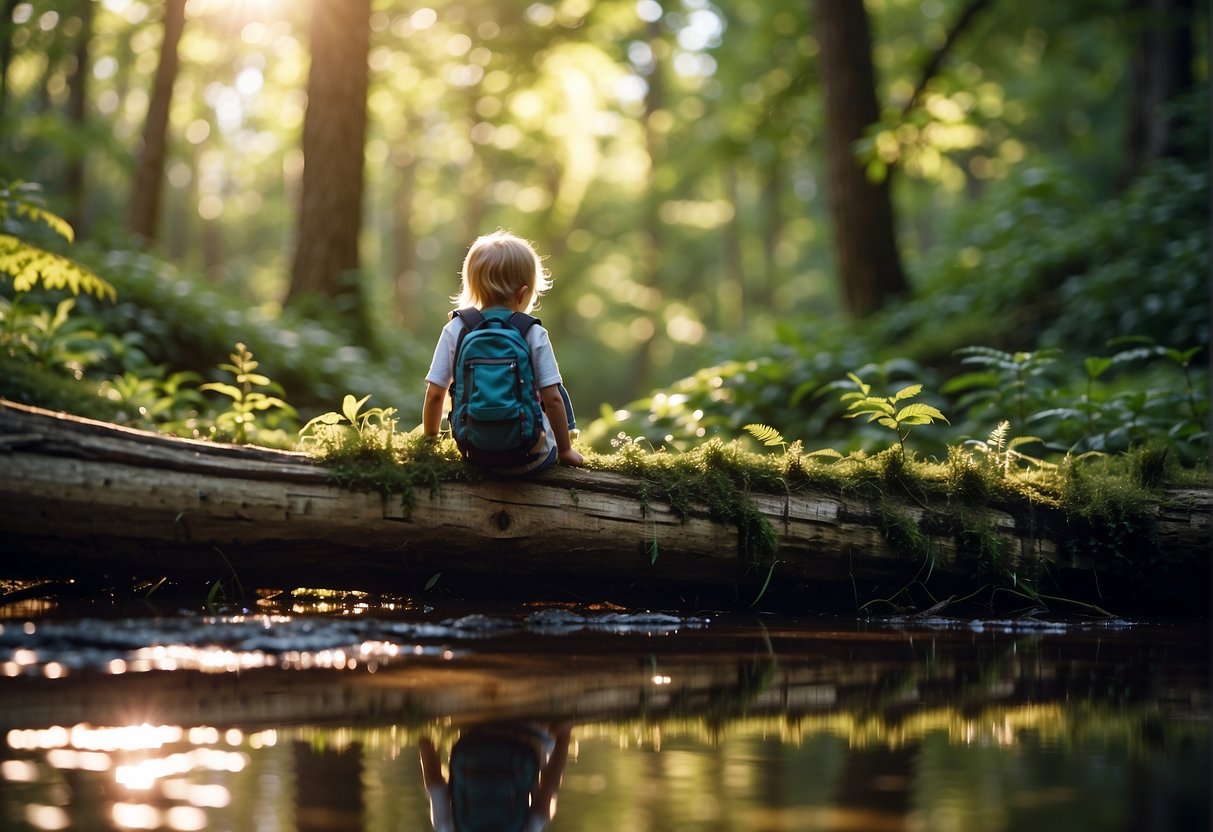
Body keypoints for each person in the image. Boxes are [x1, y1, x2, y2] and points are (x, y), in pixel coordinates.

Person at [423, 230, 584, 474]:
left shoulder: (456, 328)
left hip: (474, 455)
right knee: (555, 387)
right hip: (530, 458)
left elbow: (435, 394)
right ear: (523, 293)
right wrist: (564, 452)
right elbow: (552, 399)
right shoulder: (532, 332)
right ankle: (566, 440)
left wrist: (431, 441)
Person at [419, 722, 573, 832]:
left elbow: (542, 807)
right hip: (473, 729)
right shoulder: (446, 829)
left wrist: (564, 737)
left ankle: (559, 729)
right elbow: (435, 785)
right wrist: (425, 740)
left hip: (529, 731)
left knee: (545, 753)